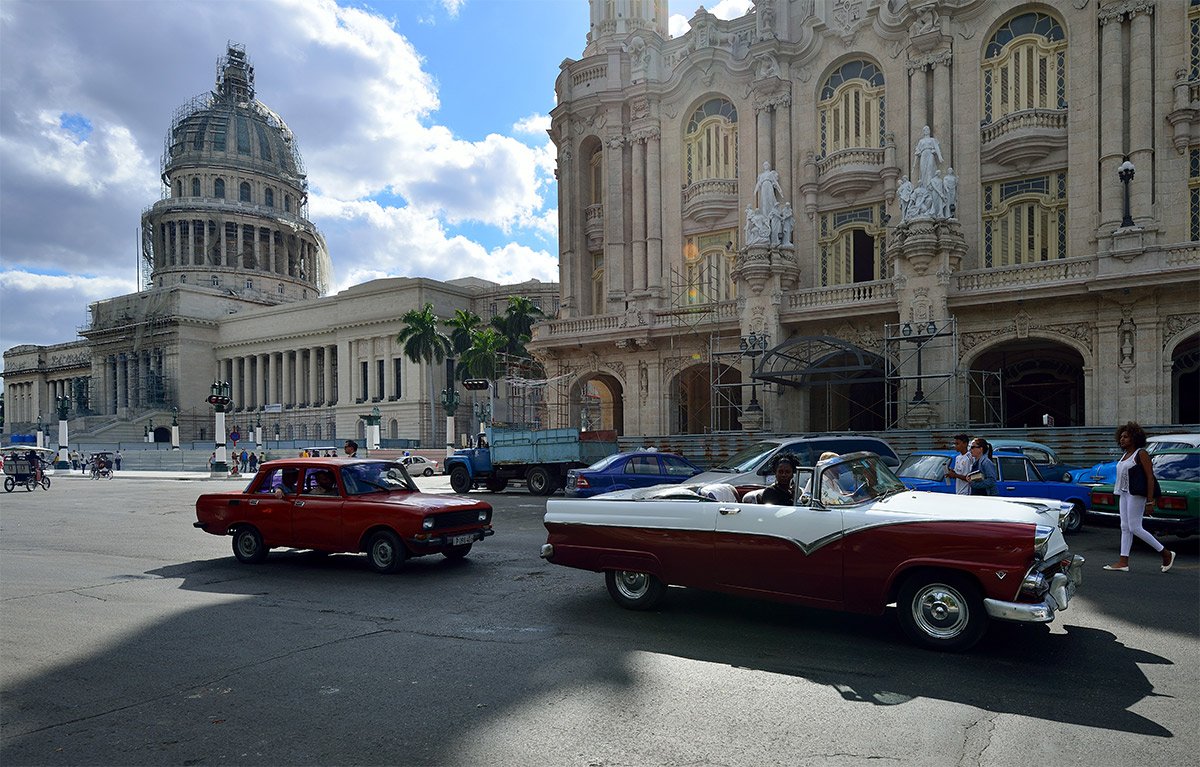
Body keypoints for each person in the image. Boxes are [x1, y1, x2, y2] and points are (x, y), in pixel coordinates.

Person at [1104, 422, 1175, 573]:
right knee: (1125, 527)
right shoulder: (1125, 455)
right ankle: (1123, 562)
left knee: (1135, 527)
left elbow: (1150, 477)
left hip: (1136, 494)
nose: (1122, 439)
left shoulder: (1141, 453)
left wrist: (1150, 500)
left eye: (1126, 437)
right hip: (1124, 493)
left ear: (1135, 438)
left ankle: (1166, 553)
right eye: (1121, 437)